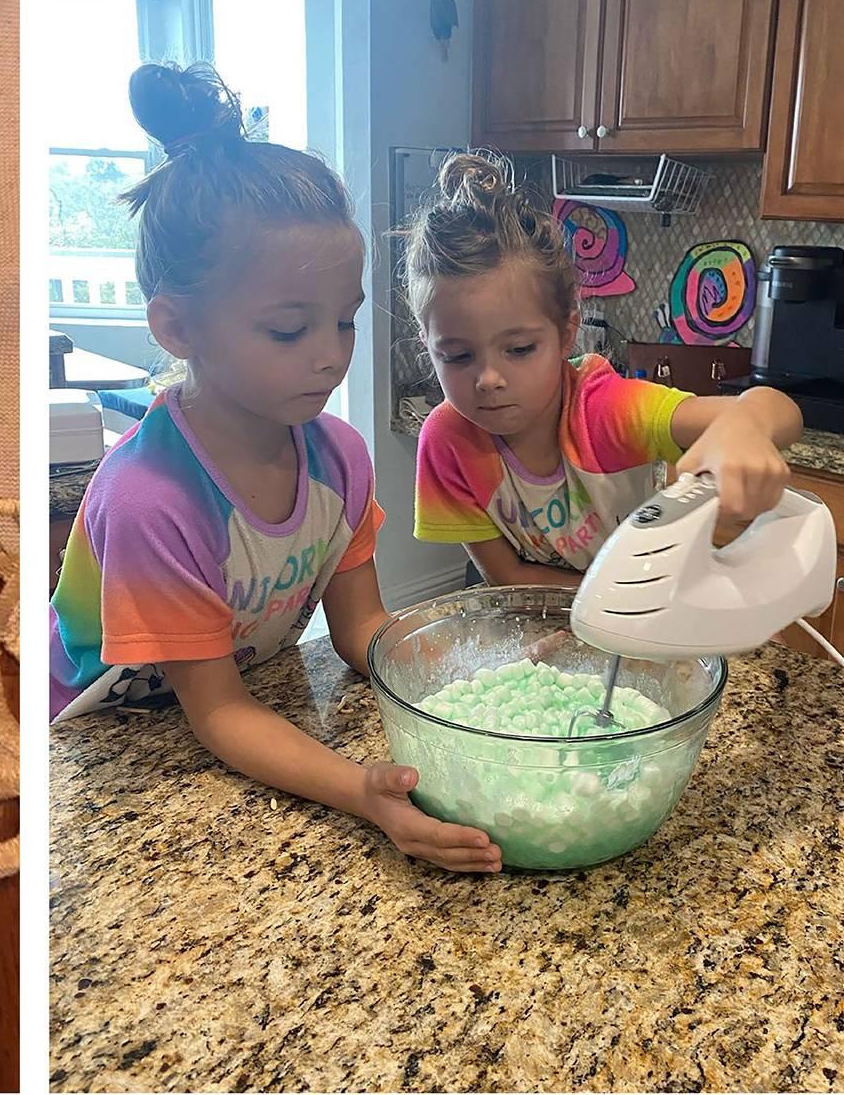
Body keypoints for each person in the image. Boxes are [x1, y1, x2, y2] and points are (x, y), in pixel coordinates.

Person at [50, 63, 500, 874]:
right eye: (290, 331)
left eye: (344, 321)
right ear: (177, 326)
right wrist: (364, 790)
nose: (329, 356)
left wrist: (476, 681)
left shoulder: (339, 459)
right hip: (111, 756)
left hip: (235, 716)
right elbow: (218, 712)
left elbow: (363, 627)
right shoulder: (152, 500)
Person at [407, 152, 799, 587]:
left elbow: (778, 409)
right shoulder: (448, 443)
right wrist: (605, 608)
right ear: (429, 347)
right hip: (558, 612)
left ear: (567, 332)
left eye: (519, 349)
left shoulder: (607, 411)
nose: (488, 379)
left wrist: (744, 426)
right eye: (458, 356)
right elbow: (508, 577)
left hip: (659, 597)